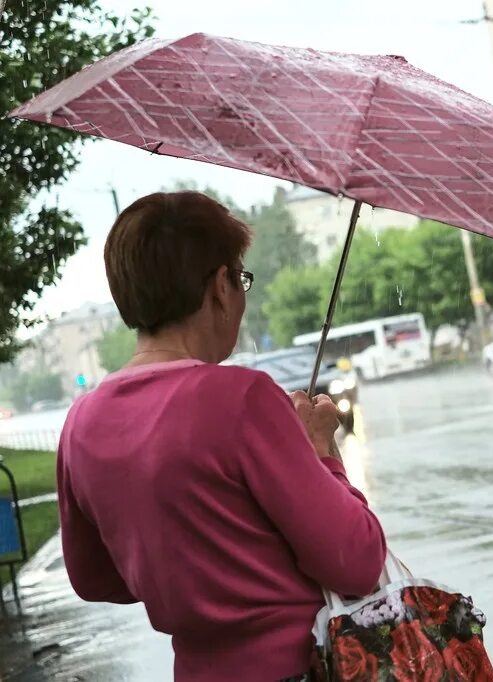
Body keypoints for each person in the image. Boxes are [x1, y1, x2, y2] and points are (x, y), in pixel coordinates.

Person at [56, 191, 387, 681]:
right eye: (241, 277)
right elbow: (358, 560)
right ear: (219, 286)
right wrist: (321, 453)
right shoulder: (242, 398)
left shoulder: (81, 422)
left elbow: (93, 578)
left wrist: (191, 573)